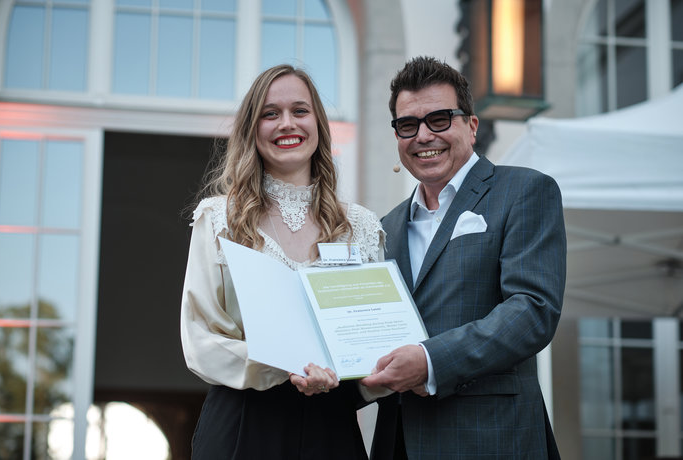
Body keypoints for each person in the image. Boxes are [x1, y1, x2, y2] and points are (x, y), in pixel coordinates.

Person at [361, 56, 567, 459]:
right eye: (408, 125)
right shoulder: (385, 227)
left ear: (471, 127)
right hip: (398, 441)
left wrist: (430, 360)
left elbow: (532, 309)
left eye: (439, 119)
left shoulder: (525, 190)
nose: (423, 135)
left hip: (491, 438)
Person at [180, 64, 385, 459]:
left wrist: (358, 376)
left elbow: (371, 342)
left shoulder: (360, 227)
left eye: (300, 111)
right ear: (252, 130)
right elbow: (200, 338)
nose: (286, 124)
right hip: (242, 422)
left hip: (333, 426)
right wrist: (280, 369)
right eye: (270, 114)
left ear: (319, 125)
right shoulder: (218, 218)